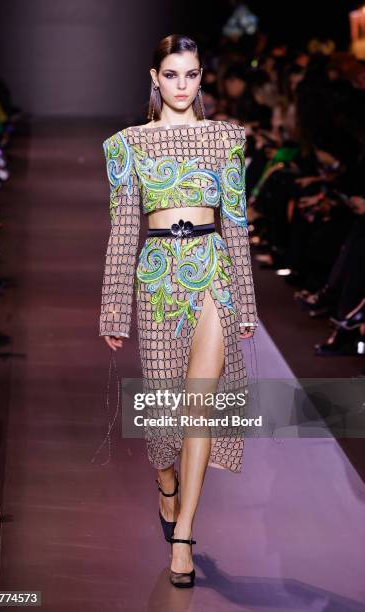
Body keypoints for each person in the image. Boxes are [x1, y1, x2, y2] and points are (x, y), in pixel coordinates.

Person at [98, 34, 259, 588]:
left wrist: (246, 303)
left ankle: (185, 537)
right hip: (157, 275)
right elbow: (123, 227)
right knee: (164, 416)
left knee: (198, 408)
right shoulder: (128, 145)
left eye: (191, 74)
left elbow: (235, 222)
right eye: (172, 74)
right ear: (154, 77)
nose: (183, 85)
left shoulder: (226, 140)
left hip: (212, 268)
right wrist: (114, 307)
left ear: (201, 78)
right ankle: (165, 482)